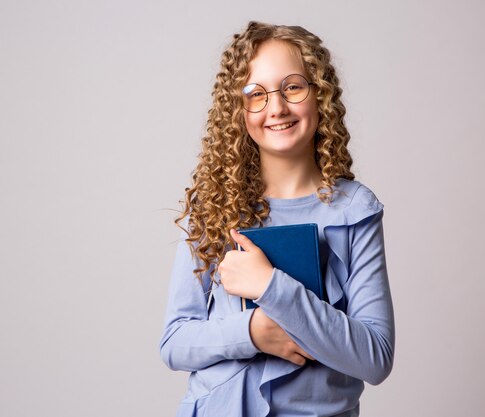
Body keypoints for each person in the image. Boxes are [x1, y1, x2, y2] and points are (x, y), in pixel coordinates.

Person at [159, 21, 395, 417]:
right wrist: (252, 333)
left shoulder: (355, 210)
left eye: (293, 87)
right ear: (238, 110)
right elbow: (174, 343)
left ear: (320, 95)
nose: (277, 108)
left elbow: (376, 358)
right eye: (256, 94)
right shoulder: (213, 203)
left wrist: (270, 286)